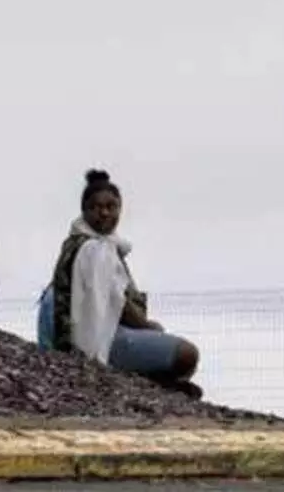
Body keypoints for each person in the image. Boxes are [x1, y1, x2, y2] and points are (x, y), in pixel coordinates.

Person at [36, 169, 202, 399]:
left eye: (111, 207)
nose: (104, 213)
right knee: (187, 355)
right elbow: (118, 303)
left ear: (120, 209)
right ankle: (153, 381)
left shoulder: (81, 243)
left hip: (73, 338)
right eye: (96, 207)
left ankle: (152, 379)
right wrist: (147, 326)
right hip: (89, 343)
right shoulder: (95, 249)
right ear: (84, 211)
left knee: (157, 338)